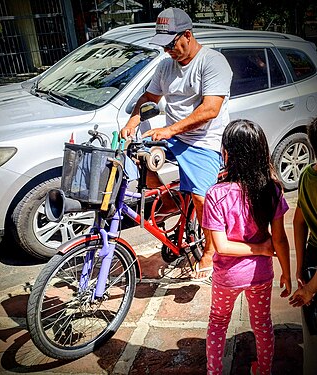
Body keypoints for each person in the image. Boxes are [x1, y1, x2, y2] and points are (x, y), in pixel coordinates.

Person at [120, 7, 233, 281]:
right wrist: (133, 120)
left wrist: (170, 130)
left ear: (187, 35)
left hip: (205, 141)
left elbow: (210, 110)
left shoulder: (213, 62)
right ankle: (170, 202)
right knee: (136, 154)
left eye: (171, 44)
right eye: (164, 45)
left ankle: (210, 250)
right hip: (174, 137)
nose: (168, 50)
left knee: (201, 198)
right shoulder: (165, 66)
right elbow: (150, 98)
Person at [202, 119, 291, 375]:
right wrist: (284, 271)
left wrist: (260, 250)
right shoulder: (272, 189)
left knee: (218, 322)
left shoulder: (216, 194)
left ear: (227, 154)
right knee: (263, 324)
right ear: (262, 152)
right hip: (261, 276)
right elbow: (280, 239)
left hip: (227, 278)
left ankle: (214, 372)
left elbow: (221, 246)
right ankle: (264, 370)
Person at [288, 117, 317, 375]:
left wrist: (301, 267)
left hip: (312, 255)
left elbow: (299, 222)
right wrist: (309, 288)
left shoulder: (308, 174)